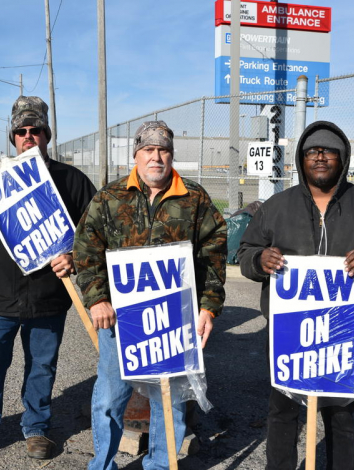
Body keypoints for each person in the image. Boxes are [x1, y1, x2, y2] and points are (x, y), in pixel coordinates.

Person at [237, 120, 354, 470]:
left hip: (340, 334)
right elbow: (245, 254)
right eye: (312, 151)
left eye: (328, 151)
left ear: (342, 158)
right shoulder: (277, 207)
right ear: (301, 160)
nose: (319, 157)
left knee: (340, 416)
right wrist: (259, 259)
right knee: (283, 411)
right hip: (288, 332)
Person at [73, 120, 227, 470]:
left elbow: (213, 252)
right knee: (111, 397)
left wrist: (208, 307)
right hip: (120, 320)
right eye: (148, 149)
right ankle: (103, 464)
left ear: (171, 155)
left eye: (163, 150)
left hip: (173, 320)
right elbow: (86, 248)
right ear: (136, 154)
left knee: (169, 400)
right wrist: (97, 298)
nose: (156, 156)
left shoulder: (194, 198)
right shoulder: (110, 198)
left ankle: (160, 464)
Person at [0, 96, 97, 464]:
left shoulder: (71, 180)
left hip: (49, 296)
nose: (28, 136)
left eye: (36, 130)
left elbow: (95, 232)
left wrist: (74, 258)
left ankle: (37, 428)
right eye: (21, 131)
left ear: (47, 134)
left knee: (42, 366)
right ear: (13, 136)